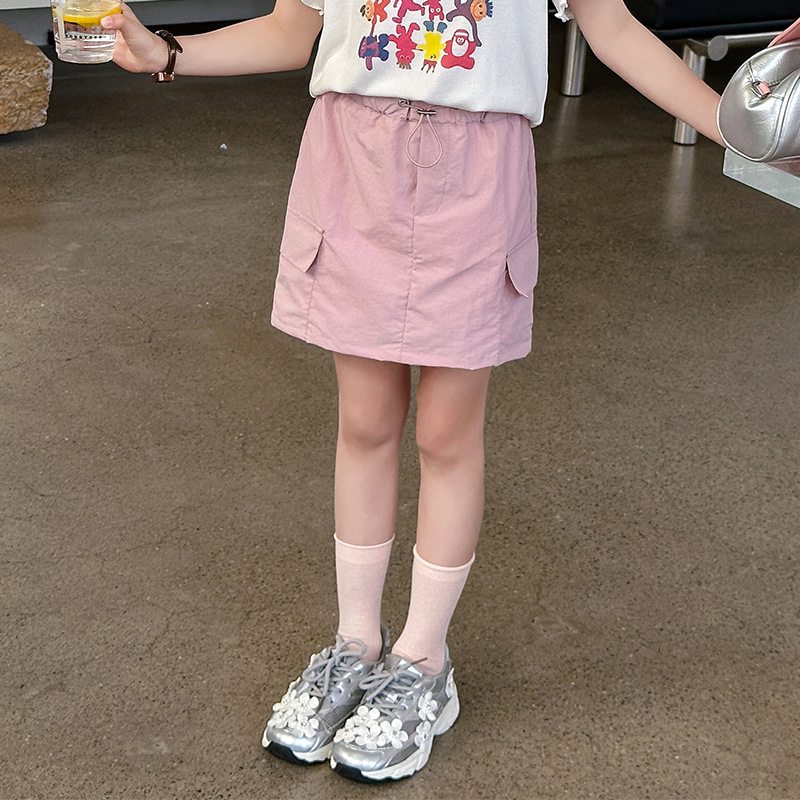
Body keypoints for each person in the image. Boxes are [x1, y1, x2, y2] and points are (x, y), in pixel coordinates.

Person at [102, 0, 723, 783]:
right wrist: (166, 52)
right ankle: (355, 646)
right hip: (353, 166)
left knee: (446, 434)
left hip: (477, 177)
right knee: (365, 421)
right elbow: (293, 30)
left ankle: (424, 663)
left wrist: (745, 126)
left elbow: (616, 30)